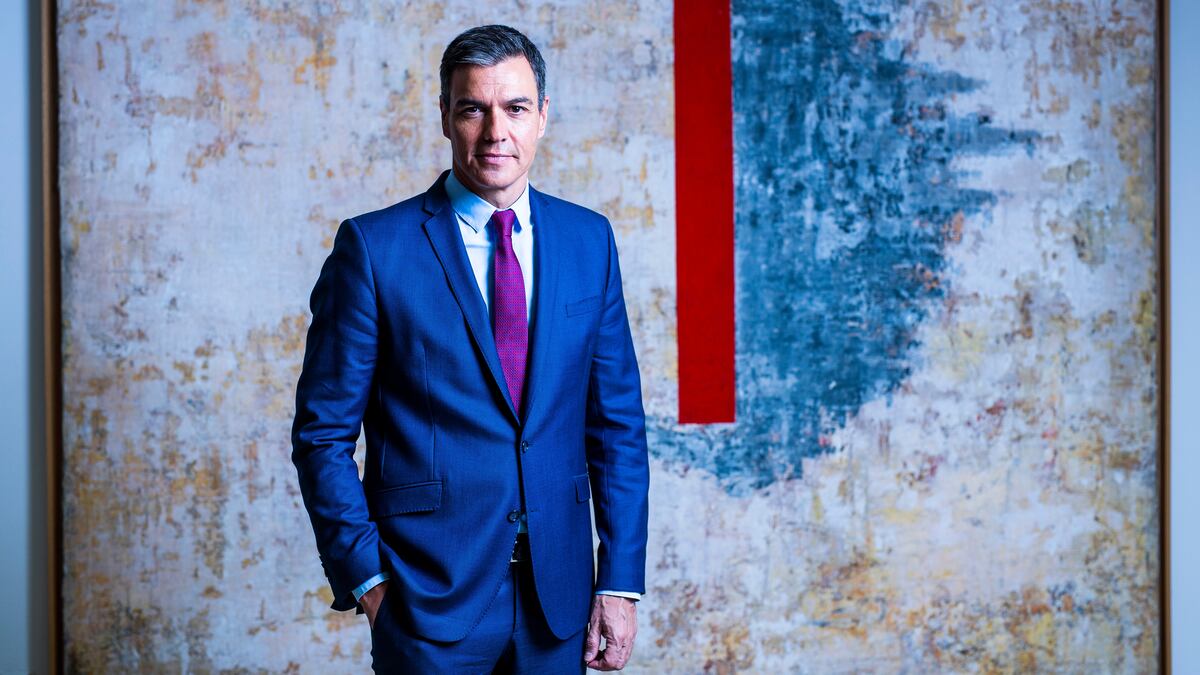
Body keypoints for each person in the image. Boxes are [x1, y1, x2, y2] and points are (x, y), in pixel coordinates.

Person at [290, 24, 650, 673]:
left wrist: (619, 582)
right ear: (445, 117)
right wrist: (368, 581)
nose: (495, 132)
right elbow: (322, 435)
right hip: (426, 599)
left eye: (515, 108)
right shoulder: (374, 249)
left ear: (543, 115)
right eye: (472, 109)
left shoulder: (589, 241)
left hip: (559, 599)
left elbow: (617, 426)